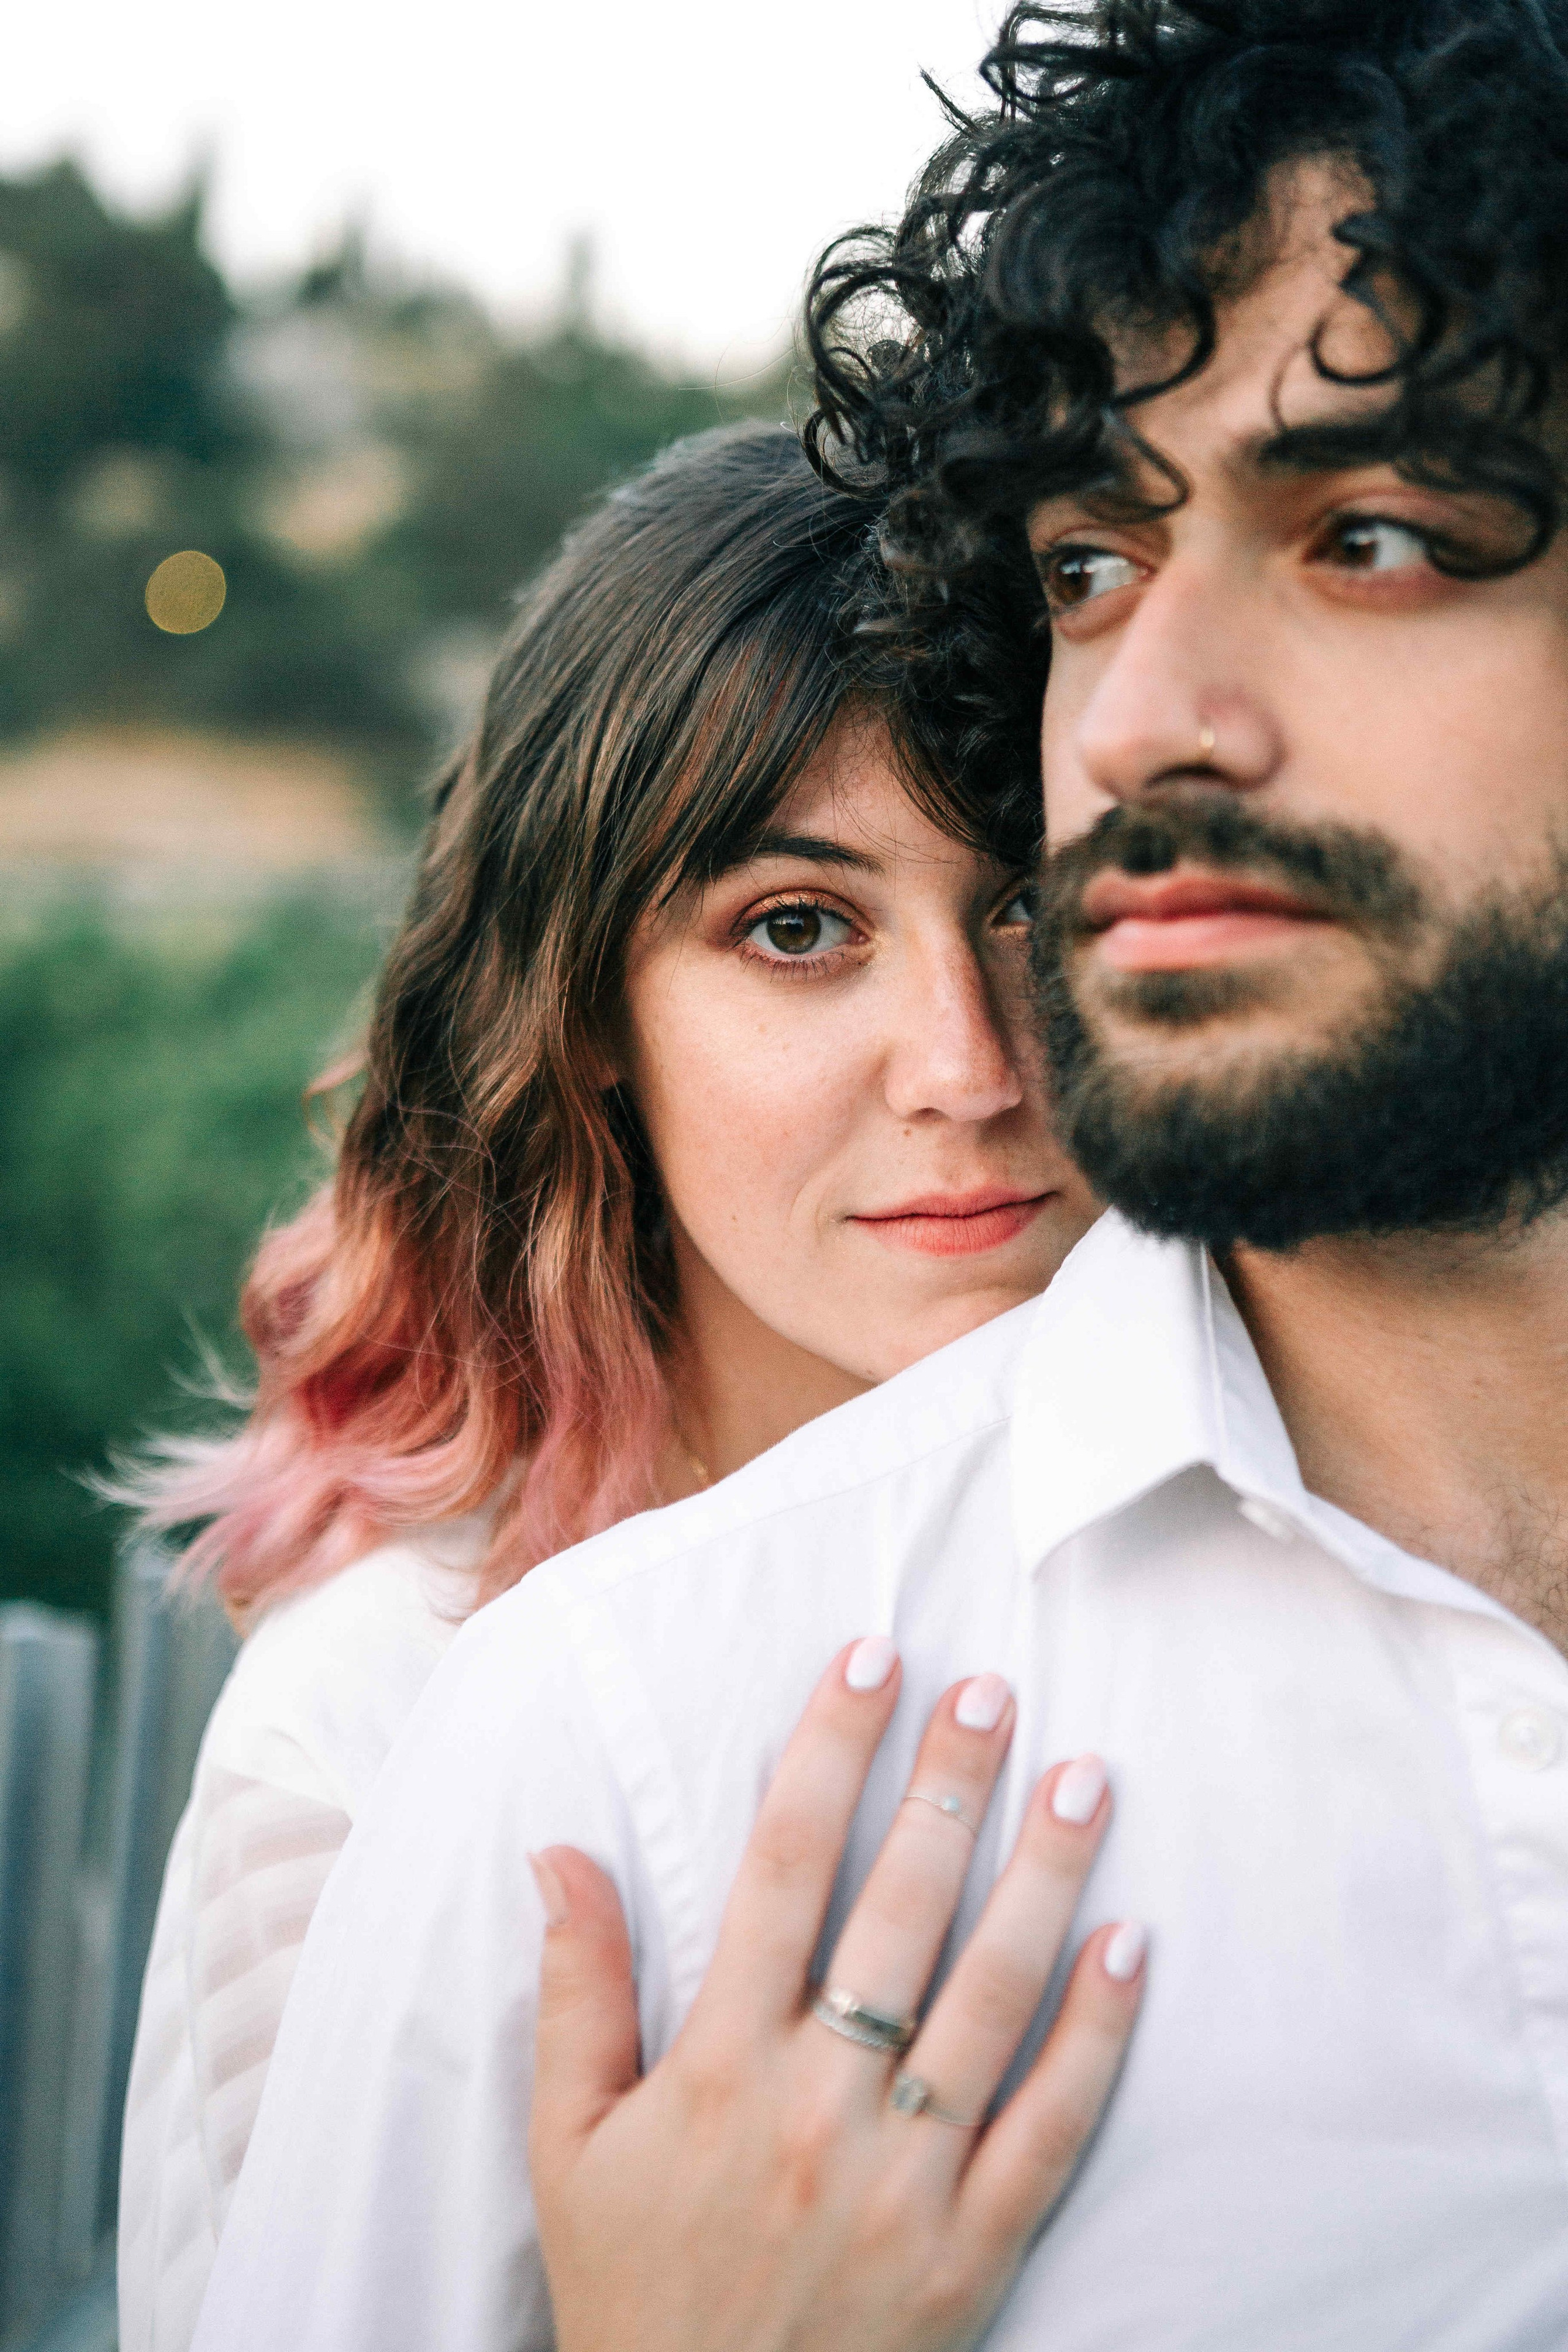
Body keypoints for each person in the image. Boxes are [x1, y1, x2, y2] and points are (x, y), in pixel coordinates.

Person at [194, 1, 1568, 2343]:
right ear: (586, 1042)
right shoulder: (581, 1750)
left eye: (1369, 532)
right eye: (1086, 571)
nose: (1134, 722)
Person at [118, 419, 1129, 2352]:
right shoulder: (377, 1720)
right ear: (588, 1019)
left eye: (1031, 905)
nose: (969, 1067)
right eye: (799, 927)